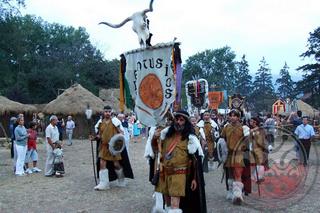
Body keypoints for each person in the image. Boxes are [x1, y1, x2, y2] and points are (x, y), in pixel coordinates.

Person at [155, 110, 206, 213]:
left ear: (186, 122)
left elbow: (196, 161)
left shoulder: (191, 139)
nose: (178, 122)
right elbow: (157, 151)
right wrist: (155, 137)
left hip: (179, 174)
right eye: (177, 119)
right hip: (165, 173)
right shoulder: (167, 135)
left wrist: (194, 179)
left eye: (181, 120)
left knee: (175, 203)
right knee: (167, 202)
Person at [90, 105, 133, 190]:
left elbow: (121, 133)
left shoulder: (115, 121)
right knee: (102, 163)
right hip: (103, 146)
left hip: (113, 148)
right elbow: (99, 135)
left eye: (109, 112)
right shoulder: (100, 122)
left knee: (116, 164)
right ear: (103, 112)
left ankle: (121, 179)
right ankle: (104, 183)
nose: (107, 113)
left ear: (111, 112)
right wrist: (94, 138)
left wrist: (117, 142)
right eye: (106, 111)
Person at [221, 110, 250, 205]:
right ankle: (230, 191)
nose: (232, 117)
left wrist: (243, 148)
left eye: (235, 116)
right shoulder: (226, 127)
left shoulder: (244, 128)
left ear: (238, 117)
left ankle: (238, 195)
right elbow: (223, 139)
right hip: (229, 153)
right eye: (231, 115)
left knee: (238, 173)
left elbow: (247, 140)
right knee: (230, 173)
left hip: (238, 154)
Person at [249, 117, 267, 182]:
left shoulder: (260, 130)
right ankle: (256, 176)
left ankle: (259, 176)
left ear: (255, 122)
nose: (250, 122)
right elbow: (250, 139)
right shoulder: (251, 130)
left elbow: (262, 139)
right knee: (255, 163)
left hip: (259, 148)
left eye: (251, 121)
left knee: (260, 163)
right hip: (253, 148)